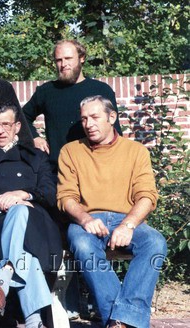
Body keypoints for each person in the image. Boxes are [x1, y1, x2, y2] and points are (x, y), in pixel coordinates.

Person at [57, 95, 167, 328]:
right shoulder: (70, 151)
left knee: (155, 243)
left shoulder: (135, 151)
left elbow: (147, 196)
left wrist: (128, 225)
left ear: (112, 117)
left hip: (126, 219)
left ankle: (118, 321)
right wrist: (85, 219)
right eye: (84, 118)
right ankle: (124, 321)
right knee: (83, 245)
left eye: (95, 117)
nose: (88, 123)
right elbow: (66, 197)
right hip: (87, 220)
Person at [0, 102, 62, 328]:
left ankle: (2, 282)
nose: (0, 130)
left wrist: (23, 195)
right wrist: (3, 203)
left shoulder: (36, 156)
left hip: (36, 223)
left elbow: (49, 191)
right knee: (27, 252)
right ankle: (34, 320)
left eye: (6, 124)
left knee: (21, 212)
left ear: (17, 126)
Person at [22, 39, 122, 174]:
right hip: (58, 170)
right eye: (59, 60)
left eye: (68, 58)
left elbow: (115, 132)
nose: (64, 64)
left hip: (96, 169)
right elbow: (22, 116)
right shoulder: (47, 91)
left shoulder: (101, 90)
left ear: (82, 58)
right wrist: (34, 137)